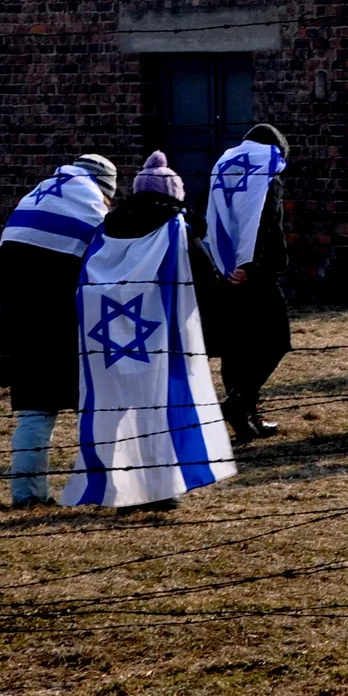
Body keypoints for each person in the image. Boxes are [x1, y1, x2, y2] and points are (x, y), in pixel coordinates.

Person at [64, 152, 235, 510]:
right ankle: (157, 488)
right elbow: (208, 282)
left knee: (116, 409)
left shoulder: (106, 228)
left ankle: (119, 485)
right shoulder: (175, 229)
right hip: (158, 333)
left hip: (106, 335)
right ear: (176, 195)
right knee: (156, 407)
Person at [0, 152, 118, 507]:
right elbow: (104, 270)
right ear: (104, 187)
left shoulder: (35, 198)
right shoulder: (92, 210)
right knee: (92, 412)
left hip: (19, 327)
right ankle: (101, 489)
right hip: (65, 330)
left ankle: (27, 493)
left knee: (33, 414)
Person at [205, 124, 291, 443]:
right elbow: (266, 225)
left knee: (236, 346)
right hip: (256, 275)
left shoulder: (223, 170)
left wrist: (224, 264)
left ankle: (246, 414)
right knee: (276, 339)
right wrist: (251, 268)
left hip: (223, 273)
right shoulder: (267, 176)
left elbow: (208, 217)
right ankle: (240, 403)